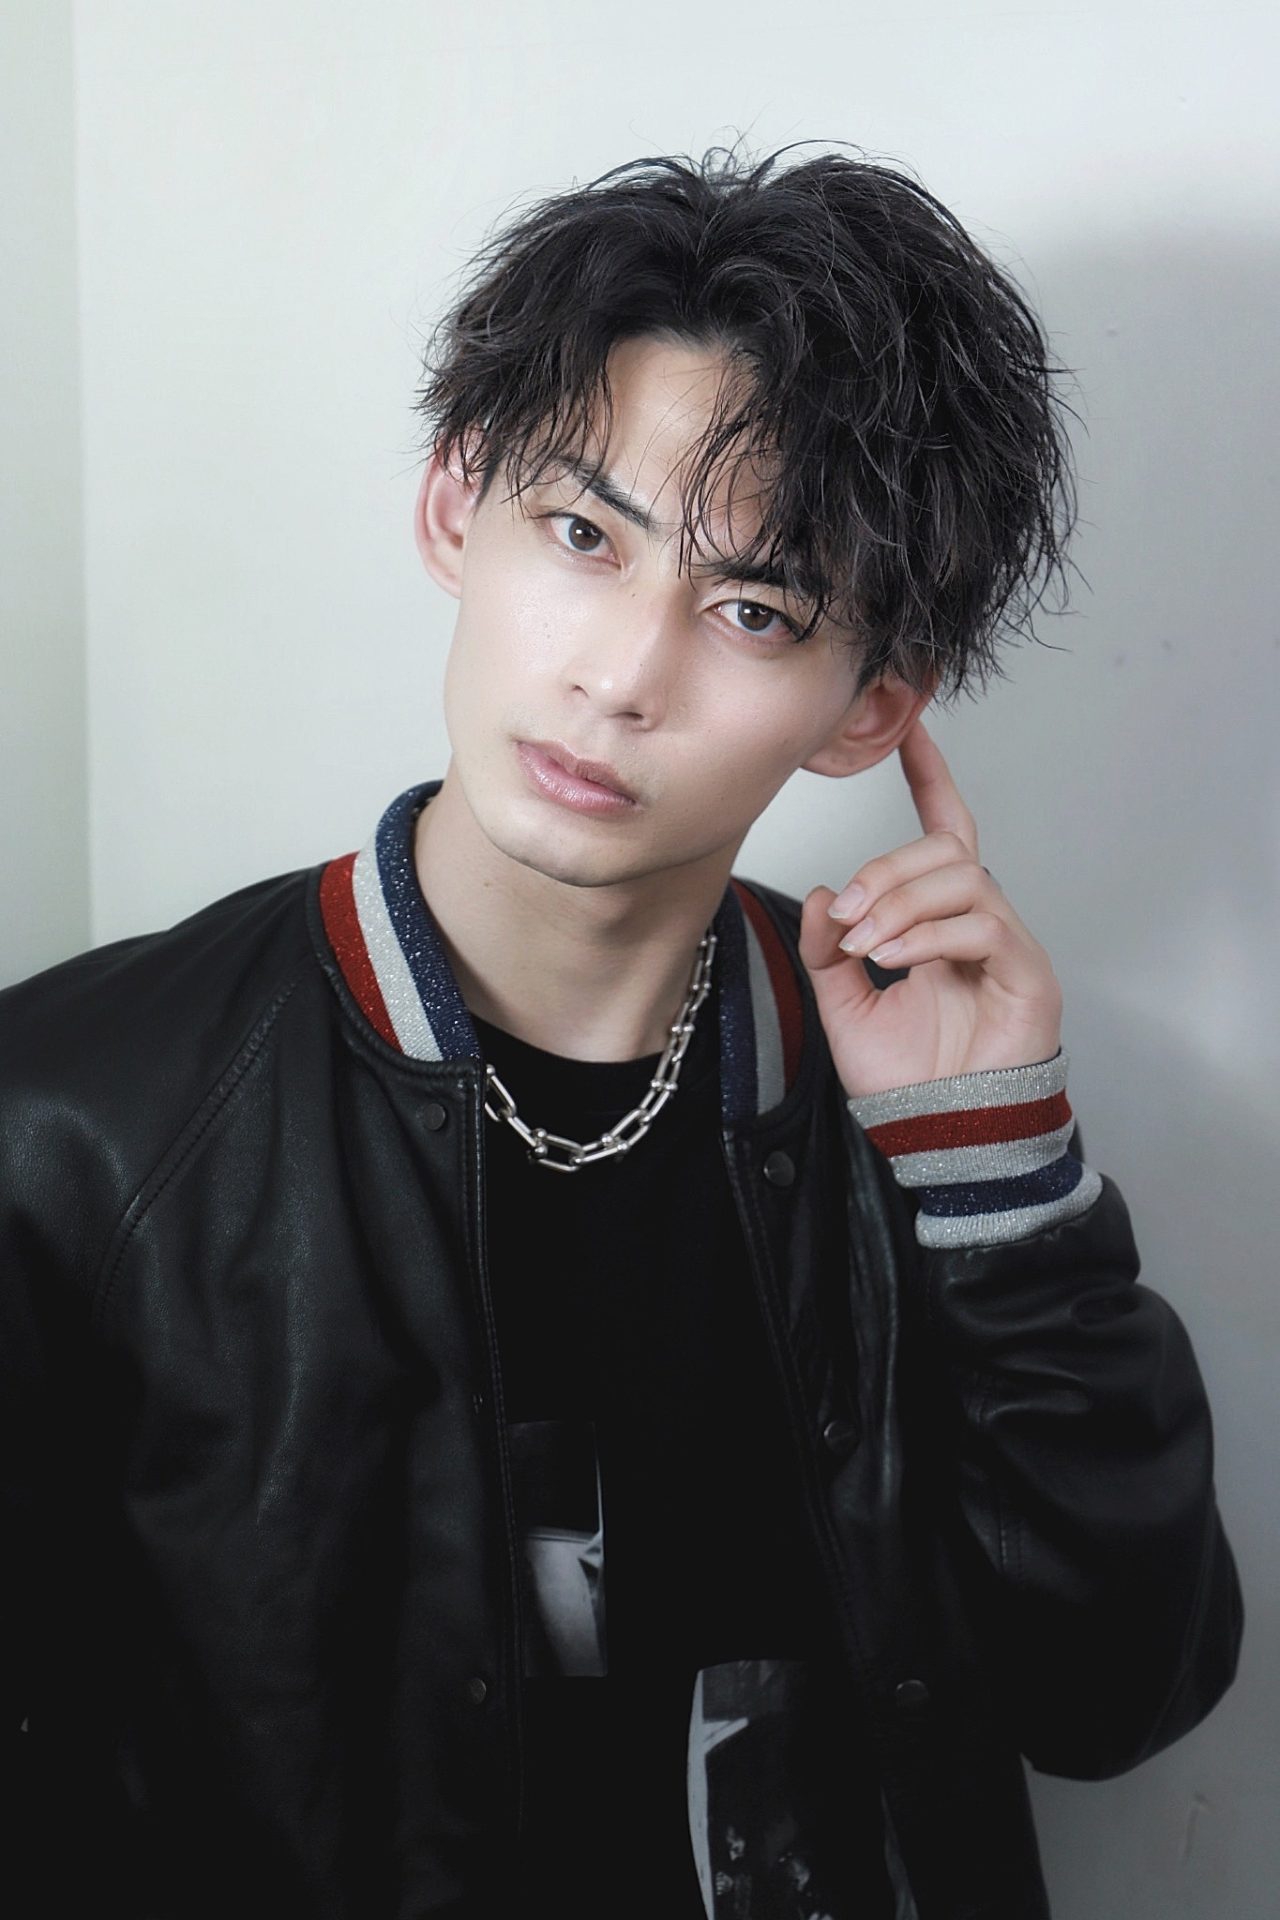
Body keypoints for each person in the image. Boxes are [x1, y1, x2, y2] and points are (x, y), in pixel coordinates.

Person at [0, 144, 1242, 1919]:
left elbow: (1115, 1701)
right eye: (585, 536)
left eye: (754, 611)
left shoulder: (916, 1109)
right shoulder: (73, 1125)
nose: (624, 676)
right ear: (455, 505)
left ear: (866, 708)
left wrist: (1000, 1184)